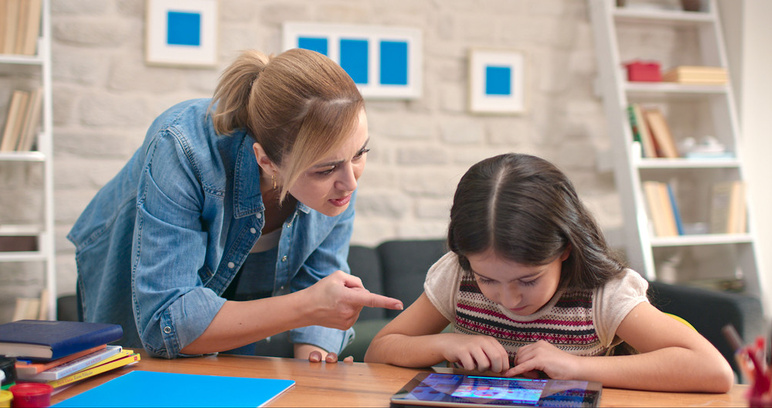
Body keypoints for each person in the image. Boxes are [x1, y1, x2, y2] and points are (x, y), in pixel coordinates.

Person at [67, 48, 403, 361]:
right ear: (267, 161)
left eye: (360, 153)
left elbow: (318, 277)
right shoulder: (182, 148)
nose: (351, 182)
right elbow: (165, 322)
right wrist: (307, 305)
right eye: (325, 169)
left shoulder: (337, 171)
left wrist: (317, 363)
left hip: (245, 290)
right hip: (135, 274)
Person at [364, 153, 734, 392]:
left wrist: (573, 366)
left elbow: (713, 370)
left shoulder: (604, 294)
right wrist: (446, 342)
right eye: (488, 279)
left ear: (565, 250)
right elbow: (380, 350)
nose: (508, 299)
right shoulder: (456, 276)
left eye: (528, 280)